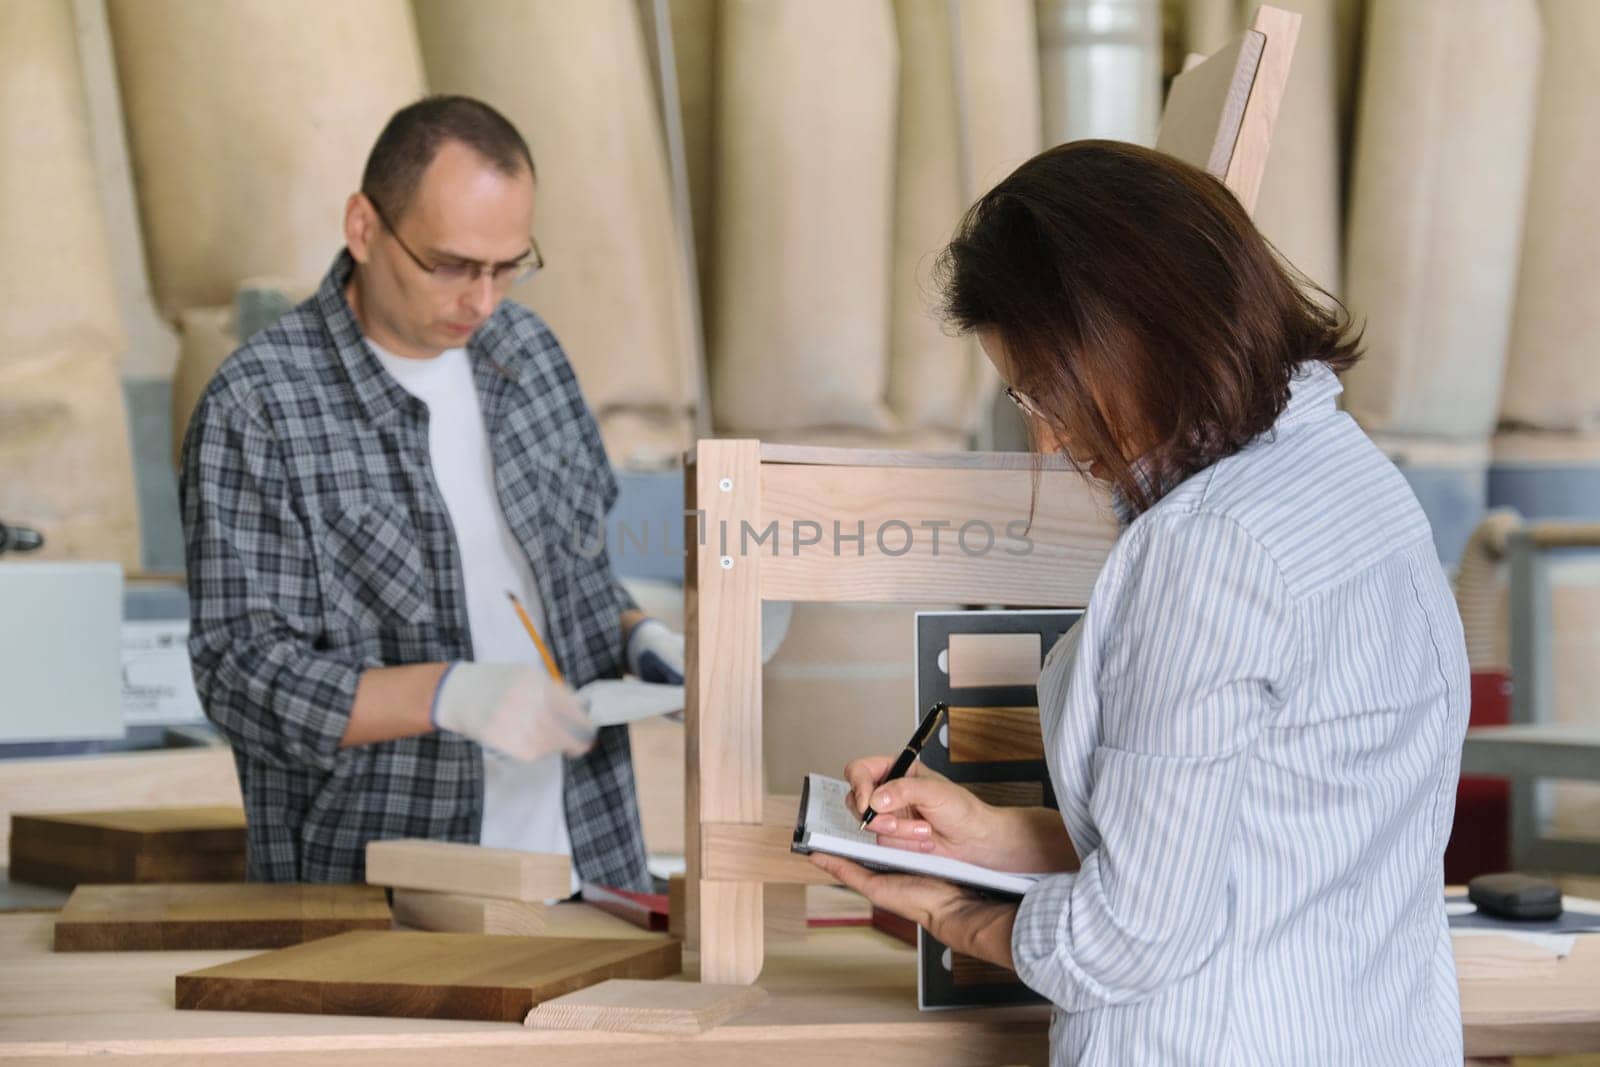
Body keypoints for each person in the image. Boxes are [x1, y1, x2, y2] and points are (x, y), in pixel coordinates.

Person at [811, 141, 1469, 1065]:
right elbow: (1256, 839)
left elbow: (1132, 937)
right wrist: (997, 840)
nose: (1045, 438)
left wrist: (963, 915)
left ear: (1126, 334)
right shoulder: (1354, 485)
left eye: (1043, 389)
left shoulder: (1209, 551)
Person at [180, 96, 683, 891]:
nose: (480, 301)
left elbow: (573, 578)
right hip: (384, 902)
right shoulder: (261, 406)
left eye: (507, 266)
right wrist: (447, 693)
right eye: (450, 265)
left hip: (590, 869)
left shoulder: (530, 356)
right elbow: (241, 676)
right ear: (364, 227)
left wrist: (640, 638)